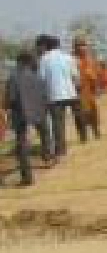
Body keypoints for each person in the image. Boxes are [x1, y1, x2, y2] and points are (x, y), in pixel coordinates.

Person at [4, 50, 52, 185]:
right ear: (30, 63)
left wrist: (7, 109)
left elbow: (10, 99)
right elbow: (46, 97)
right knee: (44, 134)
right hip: (39, 111)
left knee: (22, 143)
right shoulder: (38, 77)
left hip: (21, 113)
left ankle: (27, 177)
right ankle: (47, 157)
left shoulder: (13, 78)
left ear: (19, 62)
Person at [37, 36, 82, 158]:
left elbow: (41, 79)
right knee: (78, 114)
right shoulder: (68, 57)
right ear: (58, 45)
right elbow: (75, 76)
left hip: (54, 95)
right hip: (70, 93)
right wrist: (77, 90)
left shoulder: (44, 59)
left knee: (58, 123)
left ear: (47, 46)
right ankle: (83, 136)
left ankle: (61, 149)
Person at [73, 37, 102, 141]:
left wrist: (96, 85)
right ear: (75, 47)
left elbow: (97, 73)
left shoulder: (91, 59)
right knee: (79, 114)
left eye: (84, 45)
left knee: (93, 112)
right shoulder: (72, 60)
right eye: (80, 46)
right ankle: (83, 136)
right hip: (78, 91)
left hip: (90, 90)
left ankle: (96, 132)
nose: (82, 48)